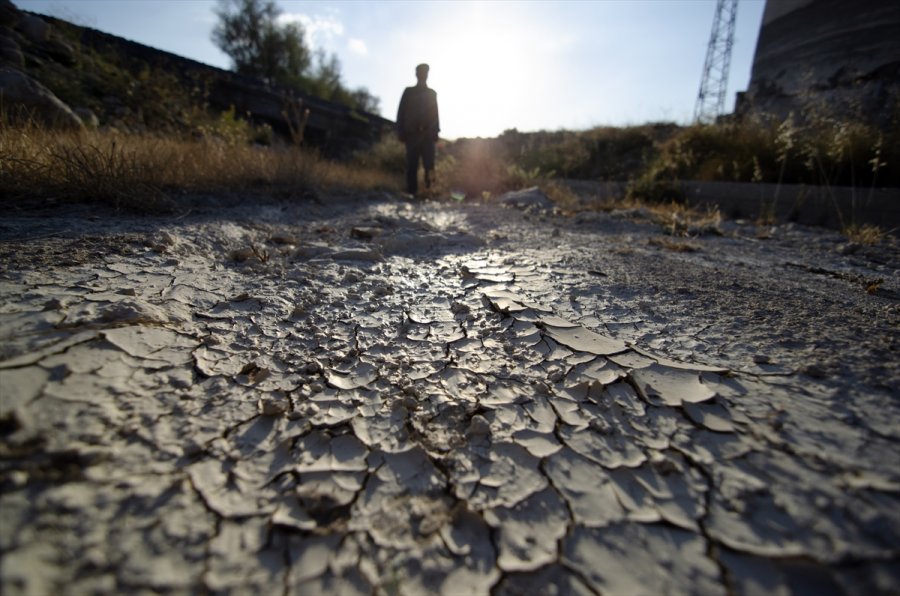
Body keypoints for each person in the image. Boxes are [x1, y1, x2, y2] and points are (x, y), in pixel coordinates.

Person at [396, 63, 440, 196]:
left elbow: (435, 114)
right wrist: (400, 130)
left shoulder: (432, 93)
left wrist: (435, 131)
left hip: (428, 135)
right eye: (420, 72)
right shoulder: (408, 92)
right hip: (412, 134)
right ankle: (412, 192)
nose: (423, 75)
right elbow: (401, 111)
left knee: (429, 164)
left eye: (425, 72)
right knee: (412, 164)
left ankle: (429, 191)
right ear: (416, 74)